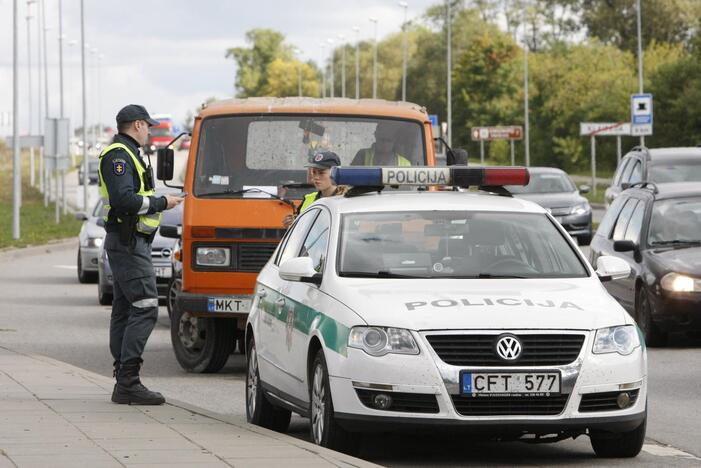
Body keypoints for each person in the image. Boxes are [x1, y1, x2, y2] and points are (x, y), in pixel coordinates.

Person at [98, 104, 183, 405]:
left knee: (125, 307)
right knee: (146, 306)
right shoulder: (119, 156)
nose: (150, 130)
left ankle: (124, 379)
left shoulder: (128, 152)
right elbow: (124, 199)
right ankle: (128, 381)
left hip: (130, 241)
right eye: (148, 125)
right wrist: (162, 202)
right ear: (136, 125)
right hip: (128, 242)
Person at [283, 151, 345, 227]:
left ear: (335, 172)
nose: (316, 177)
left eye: (321, 173)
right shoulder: (308, 199)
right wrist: (292, 226)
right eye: (314, 172)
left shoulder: (346, 200)